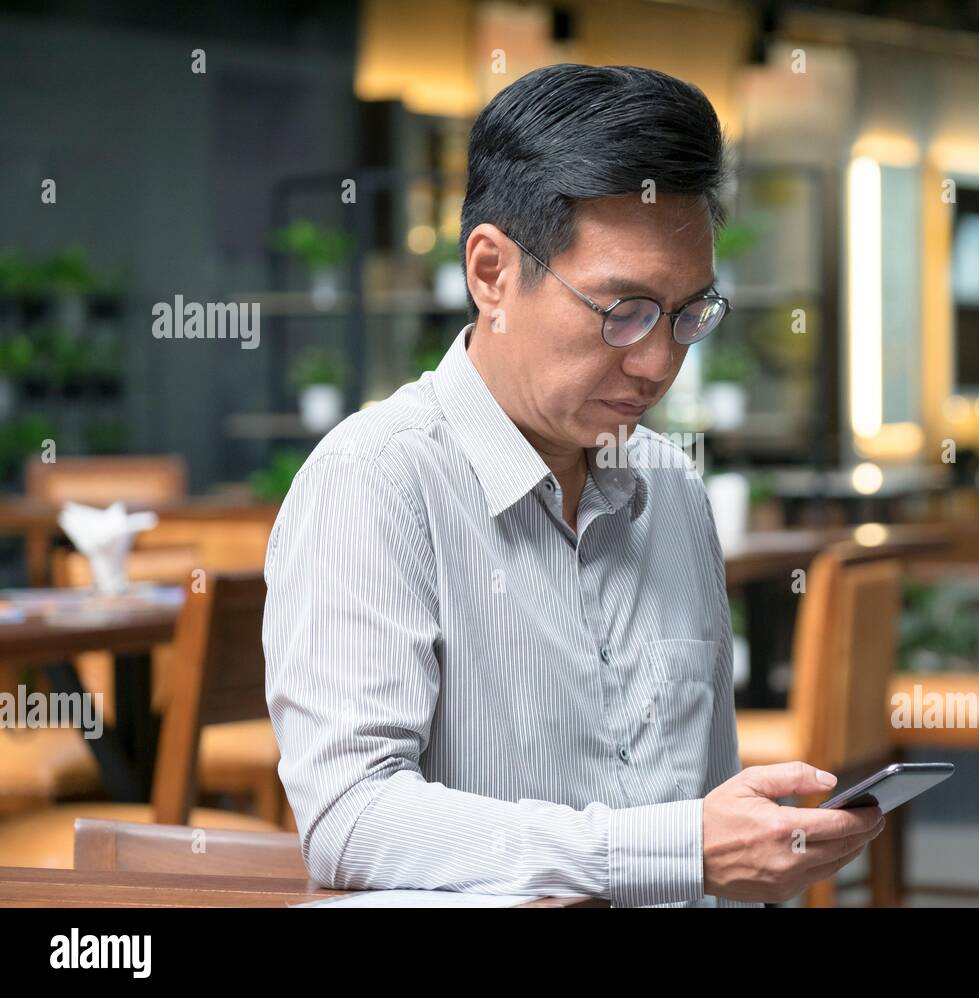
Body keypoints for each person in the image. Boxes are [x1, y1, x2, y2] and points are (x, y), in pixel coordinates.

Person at [263, 63, 882, 907]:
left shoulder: (671, 492)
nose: (658, 361)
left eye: (689, 314)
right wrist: (668, 850)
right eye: (620, 310)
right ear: (492, 273)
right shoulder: (375, 483)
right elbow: (351, 820)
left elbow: (707, 806)